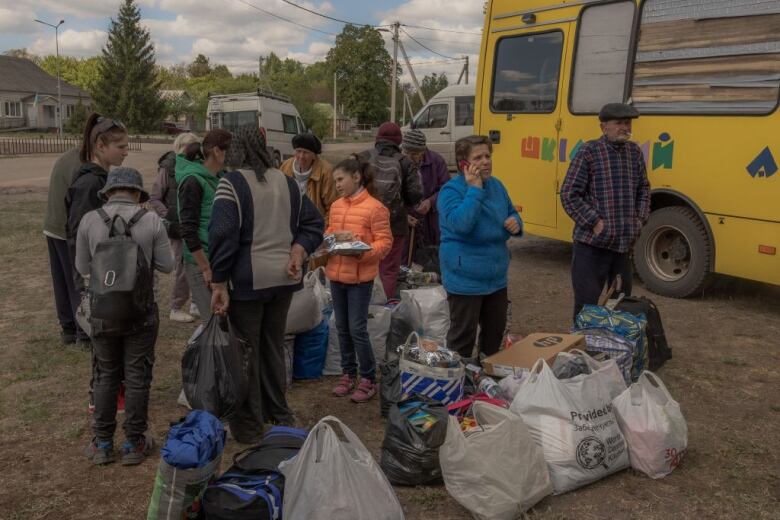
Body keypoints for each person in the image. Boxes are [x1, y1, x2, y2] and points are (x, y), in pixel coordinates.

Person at [209, 126, 324, 443]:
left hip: (247, 282)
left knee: (246, 352)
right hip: (283, 282)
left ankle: (249, 425)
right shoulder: (287, 183)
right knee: (272, 345)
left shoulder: (231, 184)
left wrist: (219, 281)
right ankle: (279, 412)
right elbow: (315, 223)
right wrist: (299, 250)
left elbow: (222, 235)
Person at [76, 167, 174, 465]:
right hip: (140, 312)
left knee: (105, 374)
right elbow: (168, 266)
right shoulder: (152, 220)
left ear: (108, 192)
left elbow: (83, 267)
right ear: (137, 192)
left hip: (102, 312)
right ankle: (134, 442)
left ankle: (103, 443)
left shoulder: (89, 220)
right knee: (137, 375)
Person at [560, 102, 650, 322]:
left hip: (621, 246)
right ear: (603, 127)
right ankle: (582, 349)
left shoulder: (634, 152)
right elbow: (569, 194)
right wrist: (594, 222)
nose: (624, 127)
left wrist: (639, 220)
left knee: (621, 303)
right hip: (592, 246)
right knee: (587, 304)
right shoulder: (589, 152)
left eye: (627, 123)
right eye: (618, 123)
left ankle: (612, 349)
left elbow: (644, 189)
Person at [438, 135, 523, 359]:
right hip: (465, 279)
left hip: (495, 277)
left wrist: (516, 222)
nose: (486, 161)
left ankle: (485, 381)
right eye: (478, 157)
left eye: (488, 156)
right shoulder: (450, 191)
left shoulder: (496, 185)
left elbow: (510, 212)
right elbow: (461, 225)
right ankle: (458, 384)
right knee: (462, 338)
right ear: (463, 164)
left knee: (494, 335)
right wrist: (474, 190)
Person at [325, 156, 392, 402]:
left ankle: (368, 378)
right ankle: (347, 373)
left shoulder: (375, 208)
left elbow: (385, 242)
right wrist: (330, 240)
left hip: (360, 279)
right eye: (335, 181)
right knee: (341, 328)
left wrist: (362, 252)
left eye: (340, 179)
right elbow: (330, 233)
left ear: (356, 177)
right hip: (336, 275)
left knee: (357, 329)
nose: (338, 185)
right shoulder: (336, 206)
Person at [66, 113, 130, 339]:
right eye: (120, 146)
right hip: (96, 274)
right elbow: (79, 233)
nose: (126, 151)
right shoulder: (89, 183)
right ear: (101, 145)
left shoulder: (102, 179)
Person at [175, 129, 232, 324]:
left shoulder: (219, 177)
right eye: (230, 150)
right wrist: (205, 268)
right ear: (217, 151)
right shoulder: (192, 181)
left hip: (218, 260)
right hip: (202, 264)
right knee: (214, 324)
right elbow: (188, 229)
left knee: (221, 324)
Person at [359, 122, 422, 299]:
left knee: (364, 265)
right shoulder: (404, 162)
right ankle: (384, 310)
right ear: (399, 141)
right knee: (389, 269)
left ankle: (364, 308)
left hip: (364, 222)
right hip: (394, 224)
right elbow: (415, 195)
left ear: (377, 138)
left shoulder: (363, 158)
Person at [149, 132, 200, 323]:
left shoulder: (200, 166)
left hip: (196, 225)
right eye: (189, 146)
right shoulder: (168, 168)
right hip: (177, 228)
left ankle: (196, 302)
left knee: (199, 264)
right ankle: (176, 306)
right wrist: (169, 215)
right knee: (182, 266)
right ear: (179, 147)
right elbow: (154, 197)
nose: (193, 149)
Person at [43, 147, 84, 345]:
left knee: (61, 279)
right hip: (66, 230)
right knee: (76, 281)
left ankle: (68, 328)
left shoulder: (68, 157)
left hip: (53, 225)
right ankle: (81, 330)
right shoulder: (83, 163)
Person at [401, 129, 449, 266]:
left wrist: (431, 201)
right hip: (406, 220)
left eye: (415, 154)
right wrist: (403, 214)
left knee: (431, 259)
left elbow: (447, 189)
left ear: (423, 151)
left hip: (430, 220)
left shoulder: (436, 161)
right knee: (405, 262)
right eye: (406, 153)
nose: (410, 158)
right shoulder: (397, 162)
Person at [279, 132, 337, 220]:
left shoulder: (326, 172)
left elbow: (333, 207)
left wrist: (320, 229)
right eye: (298, 151)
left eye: (306, 152)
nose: (301, 156)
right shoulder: (285, 166)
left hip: (315, 224)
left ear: (314, 155)